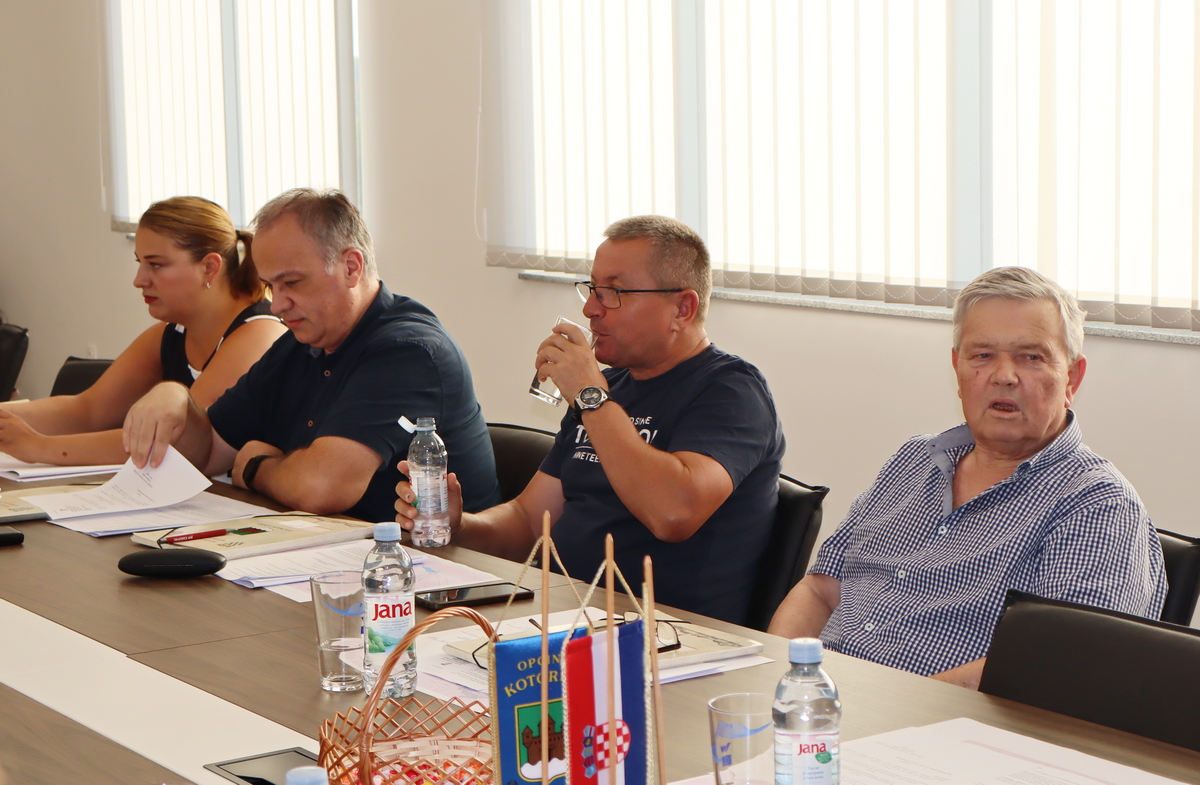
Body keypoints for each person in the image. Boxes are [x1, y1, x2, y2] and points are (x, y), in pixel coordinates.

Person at [768, 266, 1167, 689]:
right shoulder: (914, 459)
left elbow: (1061, 665)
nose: (1004, 375)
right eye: (983, 355)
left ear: (1072, 377)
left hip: (942, 723)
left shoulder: (1097, 504)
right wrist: (778, 680)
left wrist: (890, 708)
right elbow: (821, 591)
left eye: (1031, 357)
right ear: (957, 368)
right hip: (821, 705)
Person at [395, 216, 785, 625]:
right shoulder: (607, 390)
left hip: (664, 636)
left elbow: (673, 514)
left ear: (682, 309)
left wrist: (590, 396)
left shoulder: (731, 391)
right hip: (564, 616)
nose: (590, 309)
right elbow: (530, 523)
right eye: (593, 288)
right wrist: (459, 526)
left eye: (614, 292)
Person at [123, 188, 499, 523]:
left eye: (292, 282)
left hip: (432, 565)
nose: (277, 305)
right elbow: (208, 453)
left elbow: (321, 488)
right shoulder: (301, 342)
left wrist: (255, 468)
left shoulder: (408, 351)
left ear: (351, 267)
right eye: (270, 286)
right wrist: (175, 399)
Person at [0, 197, 286, 466]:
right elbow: (88, 410)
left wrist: (39, 447)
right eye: (140, 263)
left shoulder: (259, 334)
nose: (139, 280)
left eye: (156, 265)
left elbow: (181, 441)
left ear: (209, 267)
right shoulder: (171, 333)